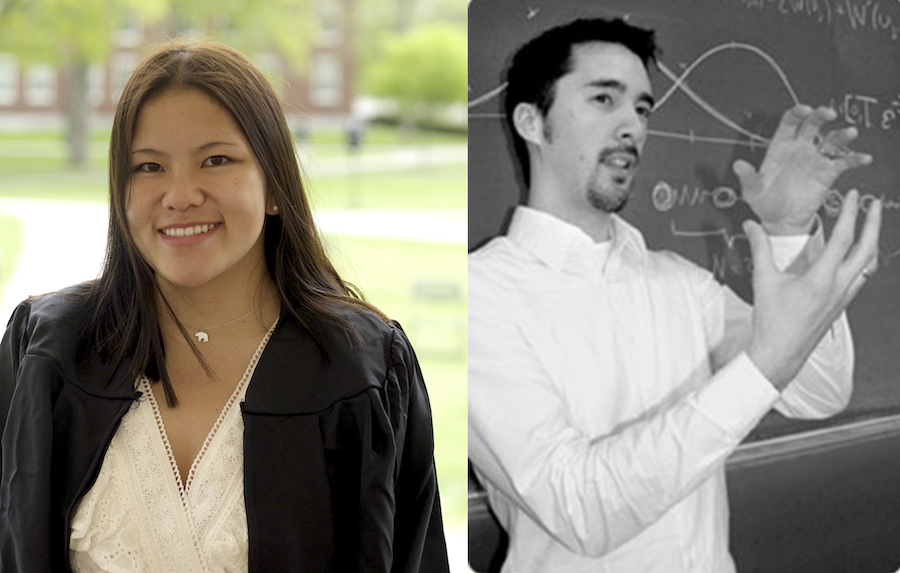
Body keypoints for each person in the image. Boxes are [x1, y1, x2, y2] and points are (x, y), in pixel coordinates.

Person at [0, 41, 449, 572]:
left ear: (275, 186)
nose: (180, 194)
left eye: (216, 160)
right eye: (148, 167)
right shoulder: (48, 348)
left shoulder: (363, 371)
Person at [467, 17, 881, 573]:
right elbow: (580, 510)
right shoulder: (478, 298)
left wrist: (789, 231)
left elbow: (820, 393)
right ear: (531, 122)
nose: (632, 127)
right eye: (603, 99)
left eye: (641, 108)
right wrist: (761, 368)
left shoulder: (678, 282)